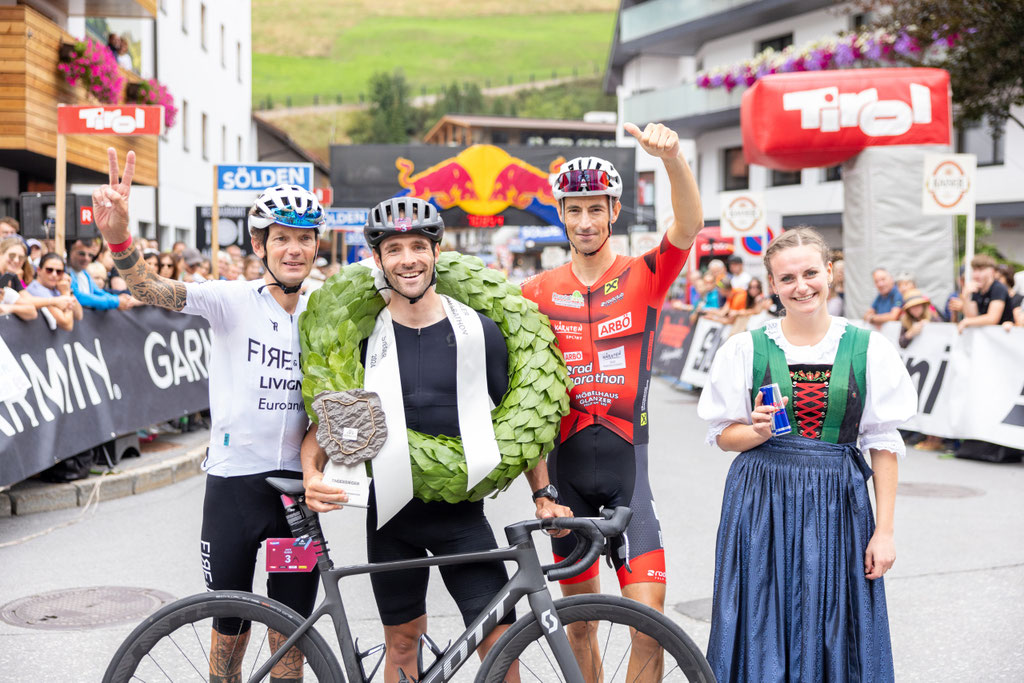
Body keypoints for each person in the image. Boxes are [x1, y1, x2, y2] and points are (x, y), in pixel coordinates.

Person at [301, 196, 570, 683]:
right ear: (379, 260)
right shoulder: (364, 338)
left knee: (498, 642)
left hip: (461, 517)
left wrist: (543, 493)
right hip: (392, 518)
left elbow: (523, 422)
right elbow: (328, 424)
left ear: (437, 252)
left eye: (418, 247)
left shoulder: (479, 331)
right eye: (395, 249)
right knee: (402, 642)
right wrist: (311, 473)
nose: (408, 259)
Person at [91, 148, 325, 681]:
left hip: (296, 492)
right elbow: (149, 288)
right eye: (281, 237)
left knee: (290, 630)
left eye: (305, 237)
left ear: (316, 245)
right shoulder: (230, 299)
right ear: (260, 244)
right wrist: (120, 239)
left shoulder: (327, 304)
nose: (294, 249)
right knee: (230, 627)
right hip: (233, 489)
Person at [519, 121, 703, 678]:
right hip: (568, 477)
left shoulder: (644, 275)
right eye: (573, 210)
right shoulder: (535, 292)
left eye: (594, 209)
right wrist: (541, 487)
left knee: (650, 621)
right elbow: (522, 395)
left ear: (613, 211)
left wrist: (672, 159)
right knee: (579, 624)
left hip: (629, 473)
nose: (584, 221)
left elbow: (689, 224)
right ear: (562, 214)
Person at [697, 226, 916, 682]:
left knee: (835, 618)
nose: (802, 286)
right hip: (761, 501)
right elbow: (723, 434)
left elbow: (882, 443)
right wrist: (754, 431)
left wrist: (885, 532)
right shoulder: (745, 348)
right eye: (788, 278)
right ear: (772, 285)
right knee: (762, 614)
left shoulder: (867, 348)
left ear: (829, 272)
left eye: (811, 273)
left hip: (838, 502)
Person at [67, 238, 136, 310]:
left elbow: (98, 292)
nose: (86, 258)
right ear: (71, 252)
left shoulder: (84, 274)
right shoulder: (65, 273)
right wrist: (116, 301)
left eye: (90, 255)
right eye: (81, 254)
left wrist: (119, 299)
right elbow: (78, 297)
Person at [24, 253, 82, 331]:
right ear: (39, 270)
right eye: (49, 270)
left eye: (59, 271)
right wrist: (66, 293)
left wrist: (68, 290)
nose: (54, 274)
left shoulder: (57, 287)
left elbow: (79, 315)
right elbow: (67, 324)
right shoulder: (36, 290)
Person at [958, 254, 1014, 332]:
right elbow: (972, 316)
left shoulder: (998, 288)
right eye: (974, 270)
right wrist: (965, 296)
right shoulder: (976, 288)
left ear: (992, 271)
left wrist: (967, 321)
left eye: (981, 270)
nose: (976, 275)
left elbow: (992, 318)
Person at [0, 237, 38, 321]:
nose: (16, 260)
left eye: (21, 257)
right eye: (12, 255)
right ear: (1, 253)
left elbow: (31, 310)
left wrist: (9, 308)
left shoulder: (12, 276)